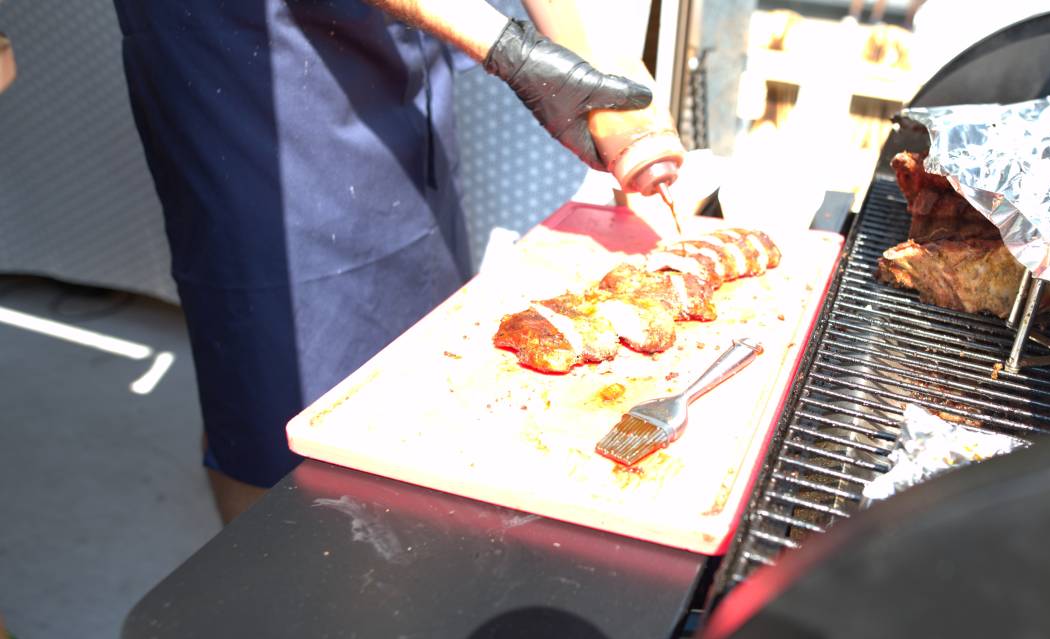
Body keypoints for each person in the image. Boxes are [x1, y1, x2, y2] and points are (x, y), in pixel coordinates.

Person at [111, 0, 655, 522]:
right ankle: (269, 574)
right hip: (245, 65)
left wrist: (621, 88)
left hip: (391, 48)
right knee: (269, 407)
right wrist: (507, 48)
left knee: (421, 357)